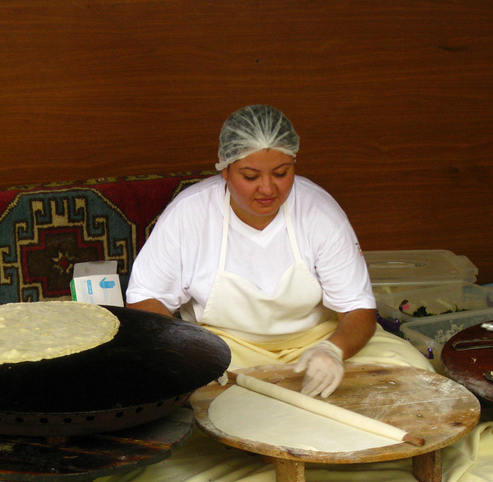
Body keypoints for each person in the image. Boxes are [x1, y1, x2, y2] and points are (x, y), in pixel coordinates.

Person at [126, 104, 432, 398]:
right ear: (225, 170)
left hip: (316, 342)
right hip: (222, 350)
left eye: (282, 173)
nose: (268, 189)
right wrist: (187, 352)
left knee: (415, 374)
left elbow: (358, 309)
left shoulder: (319, 212)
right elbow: (145, 298)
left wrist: (333, 351)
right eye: (250, 176)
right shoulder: (188, 215)